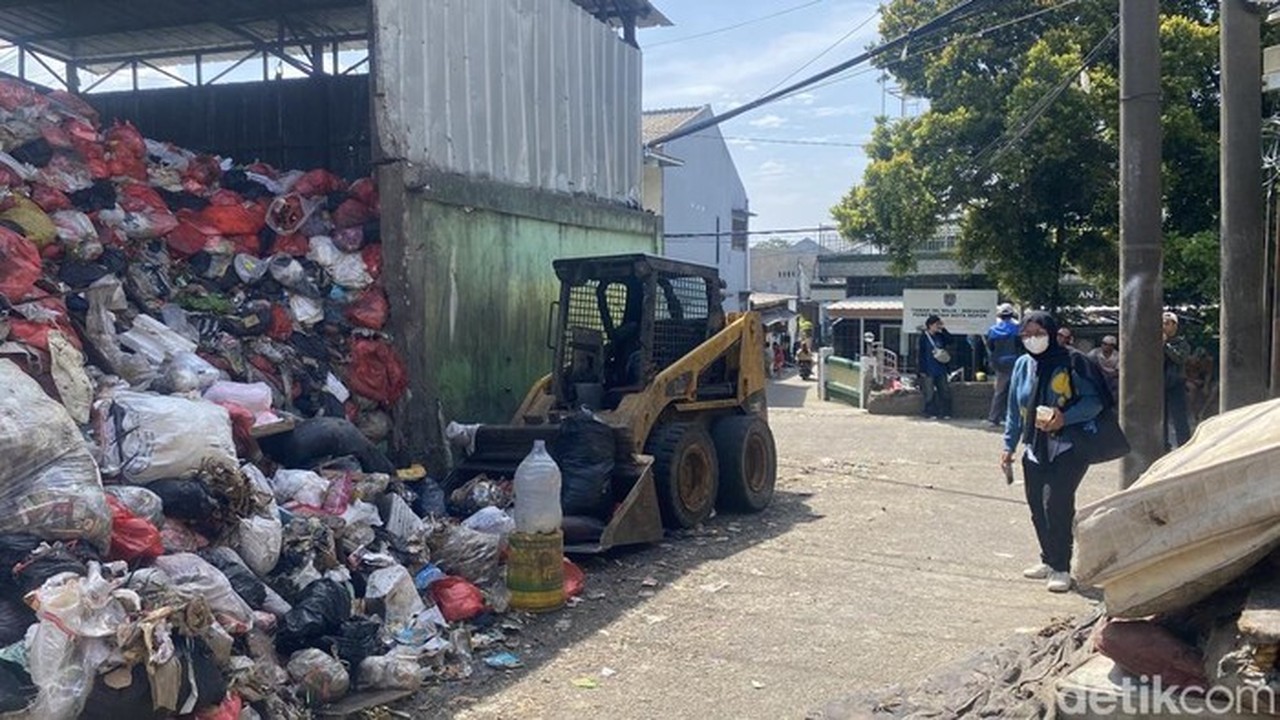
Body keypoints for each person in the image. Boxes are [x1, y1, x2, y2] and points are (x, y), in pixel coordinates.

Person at [1000, 311, 1103, 593]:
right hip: (1035, 446)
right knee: (1037, 507)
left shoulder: (1071, 363)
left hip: (1068, 446)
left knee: (1056, 504)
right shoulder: (1023, 365)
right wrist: (1008, 445)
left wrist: (1064, 417)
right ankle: (1048, 558)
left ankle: (1061, 567)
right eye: (1026, 335)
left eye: (1039, 333)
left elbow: (1094, 401)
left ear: (1052, 333)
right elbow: (1014, 409)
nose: (1032, 339)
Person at [984, 303, 1022, 426]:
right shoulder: (1018, 329)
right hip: (1015, 363)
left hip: (999, 364)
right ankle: (1015, 418)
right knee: (1016, 391)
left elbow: (990, 347)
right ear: (1012, 314)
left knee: (999, 392)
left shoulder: (993, 329)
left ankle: (993, 418)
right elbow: (1021, 346)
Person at [1163, 312, 1192, 449]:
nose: (1164, 326)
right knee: (1161, 417)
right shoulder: (1155, 342)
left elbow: (1180, 358)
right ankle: (1163, 444)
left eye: (1167, 323)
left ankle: (1184, 444)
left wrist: (1165, 346)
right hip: (1159, 384)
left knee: (1179, 416)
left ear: (1175, 326)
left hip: (1176, 383)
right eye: (1163, 323)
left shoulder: (1181, 343)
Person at [918, 315, 954, 419]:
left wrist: (943, 329)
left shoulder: (940, 336)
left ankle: (945, 412)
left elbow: (951, 340)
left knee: (944, 390)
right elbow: (921, 354)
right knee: (929, 392)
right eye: (936, 324)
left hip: (941, 368)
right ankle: (930, 412)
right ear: (930, 325)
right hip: (929, 368)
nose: (937, 326)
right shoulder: (924, 338)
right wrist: (921, 369)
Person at [1088, 335, 1120, 400]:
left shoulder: (1118, 356)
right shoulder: (1094, 353)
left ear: (1113, 346)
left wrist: (1102, 370)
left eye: (1110, 345)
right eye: (1105, 344)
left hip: (1112, 382)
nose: (1107, 347)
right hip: (1097, 379)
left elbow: (1117, 373)